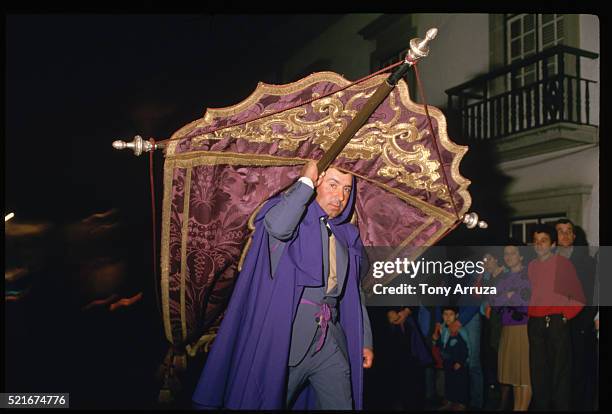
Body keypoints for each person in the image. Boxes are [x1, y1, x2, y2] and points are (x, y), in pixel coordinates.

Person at [191, 161, 374, 410]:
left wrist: (365, 340)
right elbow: (277, 227)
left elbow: (355, 292)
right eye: (333, 185)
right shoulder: (289, 214)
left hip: (330, 342)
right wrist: (305, 182)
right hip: (286, 343)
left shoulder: (348, 236)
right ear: (318, 183)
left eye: (346, 189)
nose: (340, 196)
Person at [527, 224, 585, 410]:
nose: (539, 245)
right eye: (536, 241)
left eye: (543, 241)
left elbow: (579, 298)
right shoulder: (532, 266)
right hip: (535, 324)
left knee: (560, 375)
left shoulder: (563, 264)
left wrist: (564, 317)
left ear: (552, 244)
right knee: (538, 373)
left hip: (556, 324)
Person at [554, 219, 598, 411]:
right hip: (554, 325)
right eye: (560, 231)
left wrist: (584, 324)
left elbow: (592, 296)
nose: (564, 235)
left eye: (568, 231)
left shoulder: (586, 261)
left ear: (573, 236)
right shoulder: (547, 260)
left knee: (579, 372)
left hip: (579, 325)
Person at [490, 243, 532, 411]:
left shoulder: (528, 275)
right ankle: (517, 408)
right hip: (507, 328)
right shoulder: (504, 278)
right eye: (506, 253)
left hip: (523, 328)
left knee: (525, 375)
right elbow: (494, 302)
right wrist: (507, 297)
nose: (508, 256)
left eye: (512, 253)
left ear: (521, 256)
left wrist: (506, 297)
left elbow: (524, 301)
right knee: (515, 375)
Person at [433, 306, 470, 411]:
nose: (448, 317)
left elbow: (465, 348)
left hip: (459, 364)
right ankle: (450, 401)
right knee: (449, 382)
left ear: (457, 316)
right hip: (448, 362)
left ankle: (461, 403)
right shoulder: (443, 329)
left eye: (451, 314)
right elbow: (442, 345)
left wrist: (460, 361)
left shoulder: (460, 330)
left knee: (460, 383)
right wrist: (436, 340)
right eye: (445, 314)